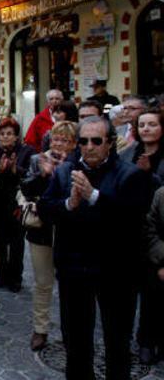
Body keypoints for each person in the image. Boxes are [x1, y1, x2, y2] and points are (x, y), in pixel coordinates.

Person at [39, 116, 153, 379]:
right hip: (74, 269)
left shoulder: (131, 174)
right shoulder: (66, 170)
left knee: (117, 342)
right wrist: (69, 204)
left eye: (96, 141)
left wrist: (93, 196)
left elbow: (132, 219)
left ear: (110, 143)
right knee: (77, 341)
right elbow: (46, 208)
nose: (89, 146)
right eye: (83, 141)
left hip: (116, 271)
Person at [21, 121, 78, 351]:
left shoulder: (78, 163)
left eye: (65, 140)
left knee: (69, 284)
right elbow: (26, 189)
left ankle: (70, 329)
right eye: (56, 139)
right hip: (41, 230)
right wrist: (44, 175)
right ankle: (40, 328)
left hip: (69, 231)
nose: (59, 144)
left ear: (74, 143)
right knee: (43, 282)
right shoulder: (38, 160)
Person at [119, 108, 164, 363]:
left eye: (152, 124)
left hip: (158, 230)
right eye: (142, 125)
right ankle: (142, 340)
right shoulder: (127, 154)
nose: (146, 129)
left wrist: (150, 175)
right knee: (132, 290)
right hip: (132, 230)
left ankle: (154, 338)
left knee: (154, 292)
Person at [0, 117, 34, 292]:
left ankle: (16, 277)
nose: (5, 137)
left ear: (16, 136)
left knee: (16, 242)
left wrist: (16, 170)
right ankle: (1, 275)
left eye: (9, 134)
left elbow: (30, 175)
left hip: (17, 201)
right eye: (1, 134)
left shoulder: (27, 151)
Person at [142, 186, 164, 365]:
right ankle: (147, 341)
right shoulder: (160, 194)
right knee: (152, 293)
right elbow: (150, 229)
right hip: (159, 261)